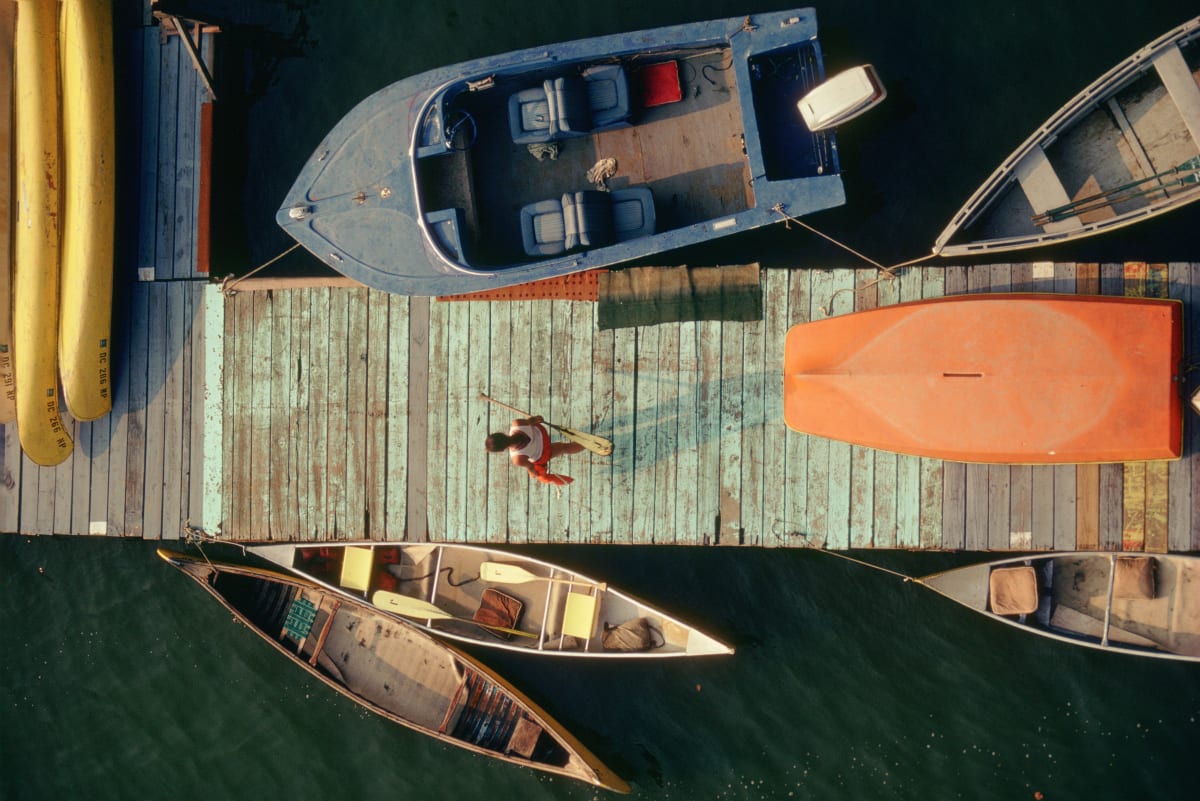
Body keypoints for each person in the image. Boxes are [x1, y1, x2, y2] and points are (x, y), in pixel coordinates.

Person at [485, 415, 584, 485]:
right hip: (542, 434)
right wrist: (537, 418)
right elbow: (532, 421)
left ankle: (585, 445)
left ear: (502, 449)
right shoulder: (516, 423)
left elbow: (531, 467)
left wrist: (533, 474)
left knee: (564, 448)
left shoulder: (517, 458)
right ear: (501, 433)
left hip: (543, 452)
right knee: (532, 427)